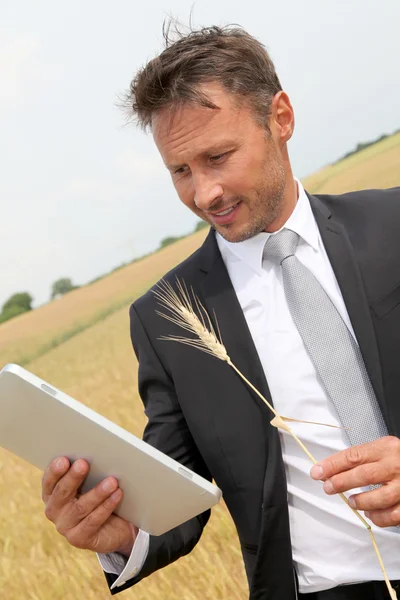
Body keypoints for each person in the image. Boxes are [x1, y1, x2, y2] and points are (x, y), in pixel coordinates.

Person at [41, 23, 400, 600]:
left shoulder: (393, 226)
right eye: (181, 171)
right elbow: (177, 489)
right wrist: (123, 529)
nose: (204, 193)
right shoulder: (165, 317)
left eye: (218, 156)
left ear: (279, 118)